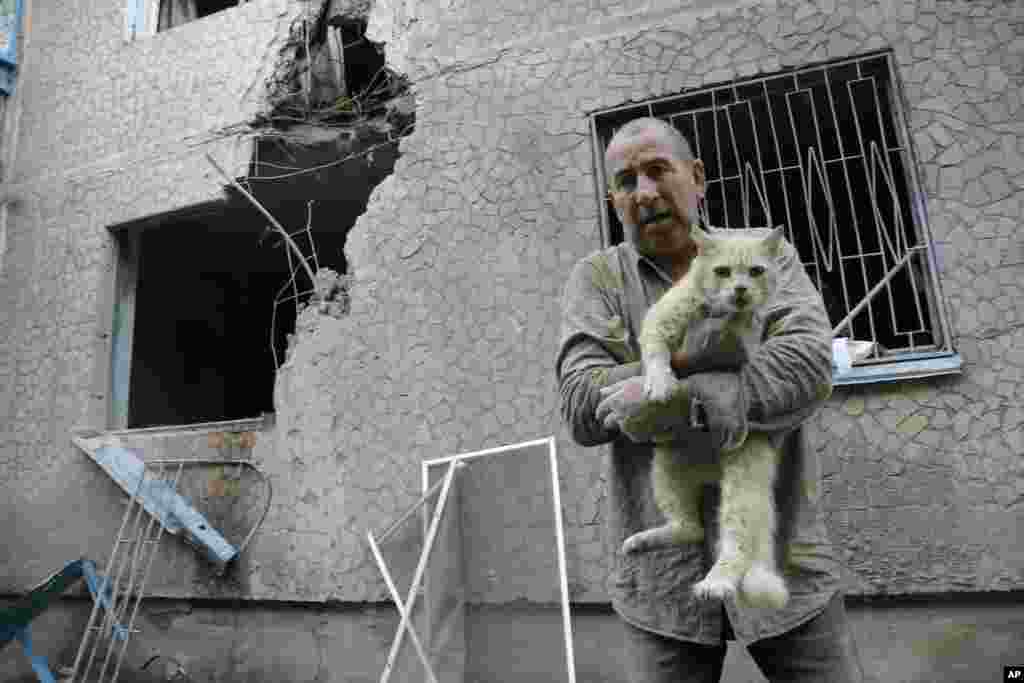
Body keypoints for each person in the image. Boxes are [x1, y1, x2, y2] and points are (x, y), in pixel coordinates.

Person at [555, 117, 864, 682]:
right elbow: (580, 402)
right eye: (626, 181)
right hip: (661, 588)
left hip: (784, 564)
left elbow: (808, 362)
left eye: (657, 171)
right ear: (614, 201)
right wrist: (693, 363)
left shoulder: (762, 255)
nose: (644, 192)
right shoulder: (597, 278)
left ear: (696, 178)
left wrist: (680, 394)